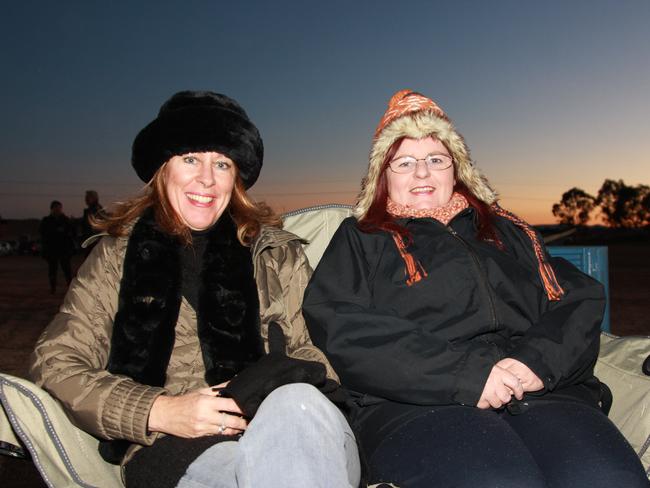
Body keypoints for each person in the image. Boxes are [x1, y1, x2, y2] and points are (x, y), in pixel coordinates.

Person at [303, 90, 649, 487]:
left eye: (436, 159)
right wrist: (468, 375)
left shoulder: (506, 231)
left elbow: (578, 298)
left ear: (457, 168)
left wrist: (535, 362)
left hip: (540, 393)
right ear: (383, 175)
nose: (422, 173)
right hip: (417, 405)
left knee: (606, 479)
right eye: (404, 162)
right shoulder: (362, 238)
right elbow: (342, 325)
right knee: (499, 482)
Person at [30, 91, 360, 488]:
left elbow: (321, 352)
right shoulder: (116, 258)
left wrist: (266, 390)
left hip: (294, 426)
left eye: (221, 163)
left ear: (235, 178)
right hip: (178, 446)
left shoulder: (276, 255)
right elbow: (57, 362)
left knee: (296, 402)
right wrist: (158, 411)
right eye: (190, 159)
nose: (206, 178)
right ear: (162, 169)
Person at [39, 200, 75, 293]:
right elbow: (43, 233)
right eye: (56, 208)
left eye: (59, 208)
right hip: (52, 249)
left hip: (64, 249)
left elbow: (71, 233)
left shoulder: (65, 220)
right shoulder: (46, 220)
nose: (58, 210)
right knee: (52, 270)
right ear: (52, 209)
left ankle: (70, 288)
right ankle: (53, 288)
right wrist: (55, 231)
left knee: (67, 270)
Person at [80, 189, 104, 256]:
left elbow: (99, 228)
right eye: (86, 197)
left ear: (94, 198)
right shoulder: (89, 211)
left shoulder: (98, 211)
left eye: (88, 197)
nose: (86, 199)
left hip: (95, 243)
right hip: (90, 242)